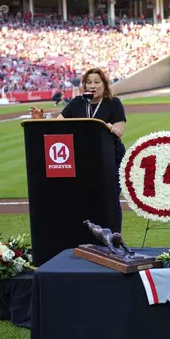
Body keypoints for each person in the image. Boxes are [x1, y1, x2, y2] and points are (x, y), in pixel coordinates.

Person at [29, 68, 127, 232]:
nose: (92, 86)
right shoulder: (76, 103)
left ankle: (114, 235)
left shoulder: (113, 103)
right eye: (89, 82)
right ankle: (88, 237)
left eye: (97, 82)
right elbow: (58, 125)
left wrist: (107, 127)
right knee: (86, 200)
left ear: (104, 84)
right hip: (84, 160)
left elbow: (119, 130)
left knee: (110, 200)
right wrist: (41, 120)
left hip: (110, 159)